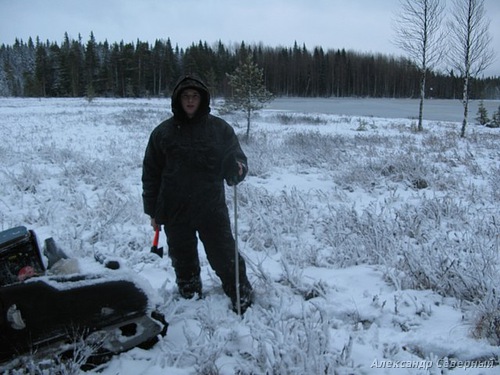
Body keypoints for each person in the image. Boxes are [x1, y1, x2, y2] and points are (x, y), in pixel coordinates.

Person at [142, 74, 253, 314]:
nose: (190, 101)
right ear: (178, 100)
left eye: (194, 96)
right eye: (186, 96)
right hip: (175, 210)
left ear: (202, 99)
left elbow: (237, 159)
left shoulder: (220, 129)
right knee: (183, 260)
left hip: (210, 208)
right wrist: (152, 211)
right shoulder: (162, 133)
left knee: (224, 254)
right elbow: (151, 174)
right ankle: (190, 297)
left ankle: (240, 294)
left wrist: (237, 168)